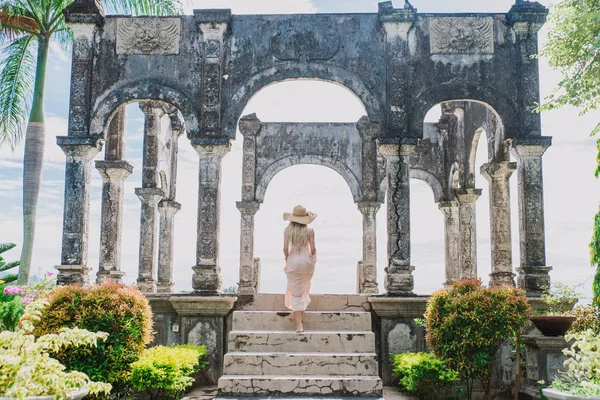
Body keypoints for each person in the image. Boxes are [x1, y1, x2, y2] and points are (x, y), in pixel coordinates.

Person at [283, 205, 317, 333]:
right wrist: (313, 258)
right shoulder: (309, 231)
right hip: (307, 262)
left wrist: (287, 259)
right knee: (305, 284)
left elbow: (285, 249)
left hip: (293, 261)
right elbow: (313, 249)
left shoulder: (288, 231)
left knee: (296, 292)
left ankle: (299, 326)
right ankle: (302, 308)